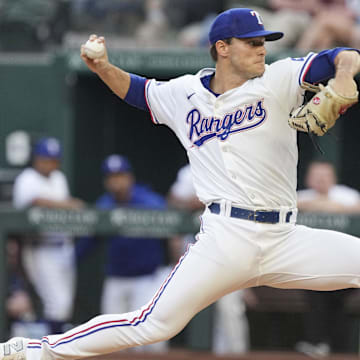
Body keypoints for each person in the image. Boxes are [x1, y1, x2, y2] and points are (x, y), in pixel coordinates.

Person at [2, 7, 360, 360]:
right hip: (226, 237)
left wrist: (344, 76)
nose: (262, 48)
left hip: (285, 237)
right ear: (222, 47)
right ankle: (32, 350)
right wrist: (103, 67)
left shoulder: (280, 78)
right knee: (152, 324)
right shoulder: (184, 94)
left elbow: (345, 55)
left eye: (263, 42)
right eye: (251, 43)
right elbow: (138, 92)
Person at [76, 154, 168, 352]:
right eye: (111, 177)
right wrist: (71, 260)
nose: (116, 181)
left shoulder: (149, 201)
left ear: (130, 177)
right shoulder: (103, 205)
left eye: (120, 175)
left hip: (147, 279)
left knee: (151, 341)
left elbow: (172, 229)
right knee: (111, 341)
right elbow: (87, 243)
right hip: (116, 280)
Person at [168, 164, 257, 354]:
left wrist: (205, 201)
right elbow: (174, 199)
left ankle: (237, 353)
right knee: (182, 309)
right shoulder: (189, 169)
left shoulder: (235, 165)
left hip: (229, 250)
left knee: (230, 310)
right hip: (198, 249)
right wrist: (195, 202)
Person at [11, 137, 84, 336]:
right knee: (56, 303)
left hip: (63, 246)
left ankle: (52, 345)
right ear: (36, 159)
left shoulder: (59, 178)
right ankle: (51, 350)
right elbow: (34, 201)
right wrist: (67, 204)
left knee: (64, 304)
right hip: (38, 247)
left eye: (53, 160)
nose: (49, 164)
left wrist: (68, 205)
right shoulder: (26, 178)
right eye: (45, 159)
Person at [295, 161, 360, 357]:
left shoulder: (346, 194)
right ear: (308, 178)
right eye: (316, 175)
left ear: (333, 178)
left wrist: (325, 206)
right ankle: (333, 347)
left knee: (330, 292)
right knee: (320, 290)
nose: (321, 180)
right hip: (313, 267)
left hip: (347, 266)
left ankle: (319, 342)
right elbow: (288, 206)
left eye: (325, 175)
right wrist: (324, 206)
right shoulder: (301, 195)